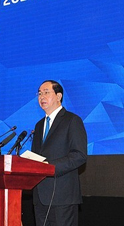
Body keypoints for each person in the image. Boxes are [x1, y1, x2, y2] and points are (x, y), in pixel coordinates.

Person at [32, 80, 87, 226]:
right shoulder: (38, 126)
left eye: (46, 92)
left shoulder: (72, 120)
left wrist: (49, 167)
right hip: (40, 197)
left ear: (59, 96)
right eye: (39, 94)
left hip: (63, 196)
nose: (41, 97)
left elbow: (79, 155)